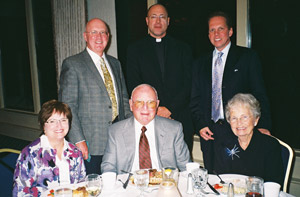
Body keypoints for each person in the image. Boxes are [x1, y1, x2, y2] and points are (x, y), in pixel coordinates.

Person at [190, 11, 272, 172]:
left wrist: (262, 125)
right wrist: (200, 125)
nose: (216, 33)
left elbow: (259, 93)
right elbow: (195, 99)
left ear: (230, 31)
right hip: (210, 135)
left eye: (221, 28)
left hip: (238, 131)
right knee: (214, 182)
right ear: (208, 34)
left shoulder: (247, 57)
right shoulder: (199, 63)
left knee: (238, 181)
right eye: (212, 30)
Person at [59, 18, 131, 174]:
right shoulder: (73, 64)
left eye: (103, 33)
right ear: (85, 36)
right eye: (94, 32)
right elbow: (68, 106)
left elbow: (124, 99)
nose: (99, 37)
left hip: (119, 139)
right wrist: (78, 140)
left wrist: (130, 129)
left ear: (108, 36)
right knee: (94, 187)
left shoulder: (115, 64)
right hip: (91, 143)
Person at [126, 4, 194, 153]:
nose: (158, 22)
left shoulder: (183, 49)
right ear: (147, 21)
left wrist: (169, 108)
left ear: (168, 21)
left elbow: (189, 83)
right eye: (153, 17)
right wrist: (155, 109)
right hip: (149, 118)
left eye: (162, 17)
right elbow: (133, 85)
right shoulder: (134, 50)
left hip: (179, 116)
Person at [101, 84, 191, 174]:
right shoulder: (116, 131)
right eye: (139, 102)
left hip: (164, 184)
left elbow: (186, 166)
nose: (145, 108)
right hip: (128, 184)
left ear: (157, 105)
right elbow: (108, 167)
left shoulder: (173, 129)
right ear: (131, 105)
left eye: (151, 103)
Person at [13, 100, 86, 196]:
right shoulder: (30, 154)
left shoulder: (75, 152)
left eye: (63, 120)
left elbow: (82, 186)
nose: (59, 125)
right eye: (52, 121)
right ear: (43, 125)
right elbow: (20, 193)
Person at [213, 93, 284, 185]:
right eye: (234, 118)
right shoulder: (223, 144)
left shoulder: (270, 146)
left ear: (256, 120)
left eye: (244, 117)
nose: (239, 123)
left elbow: (273, 184)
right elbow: (220, 180)